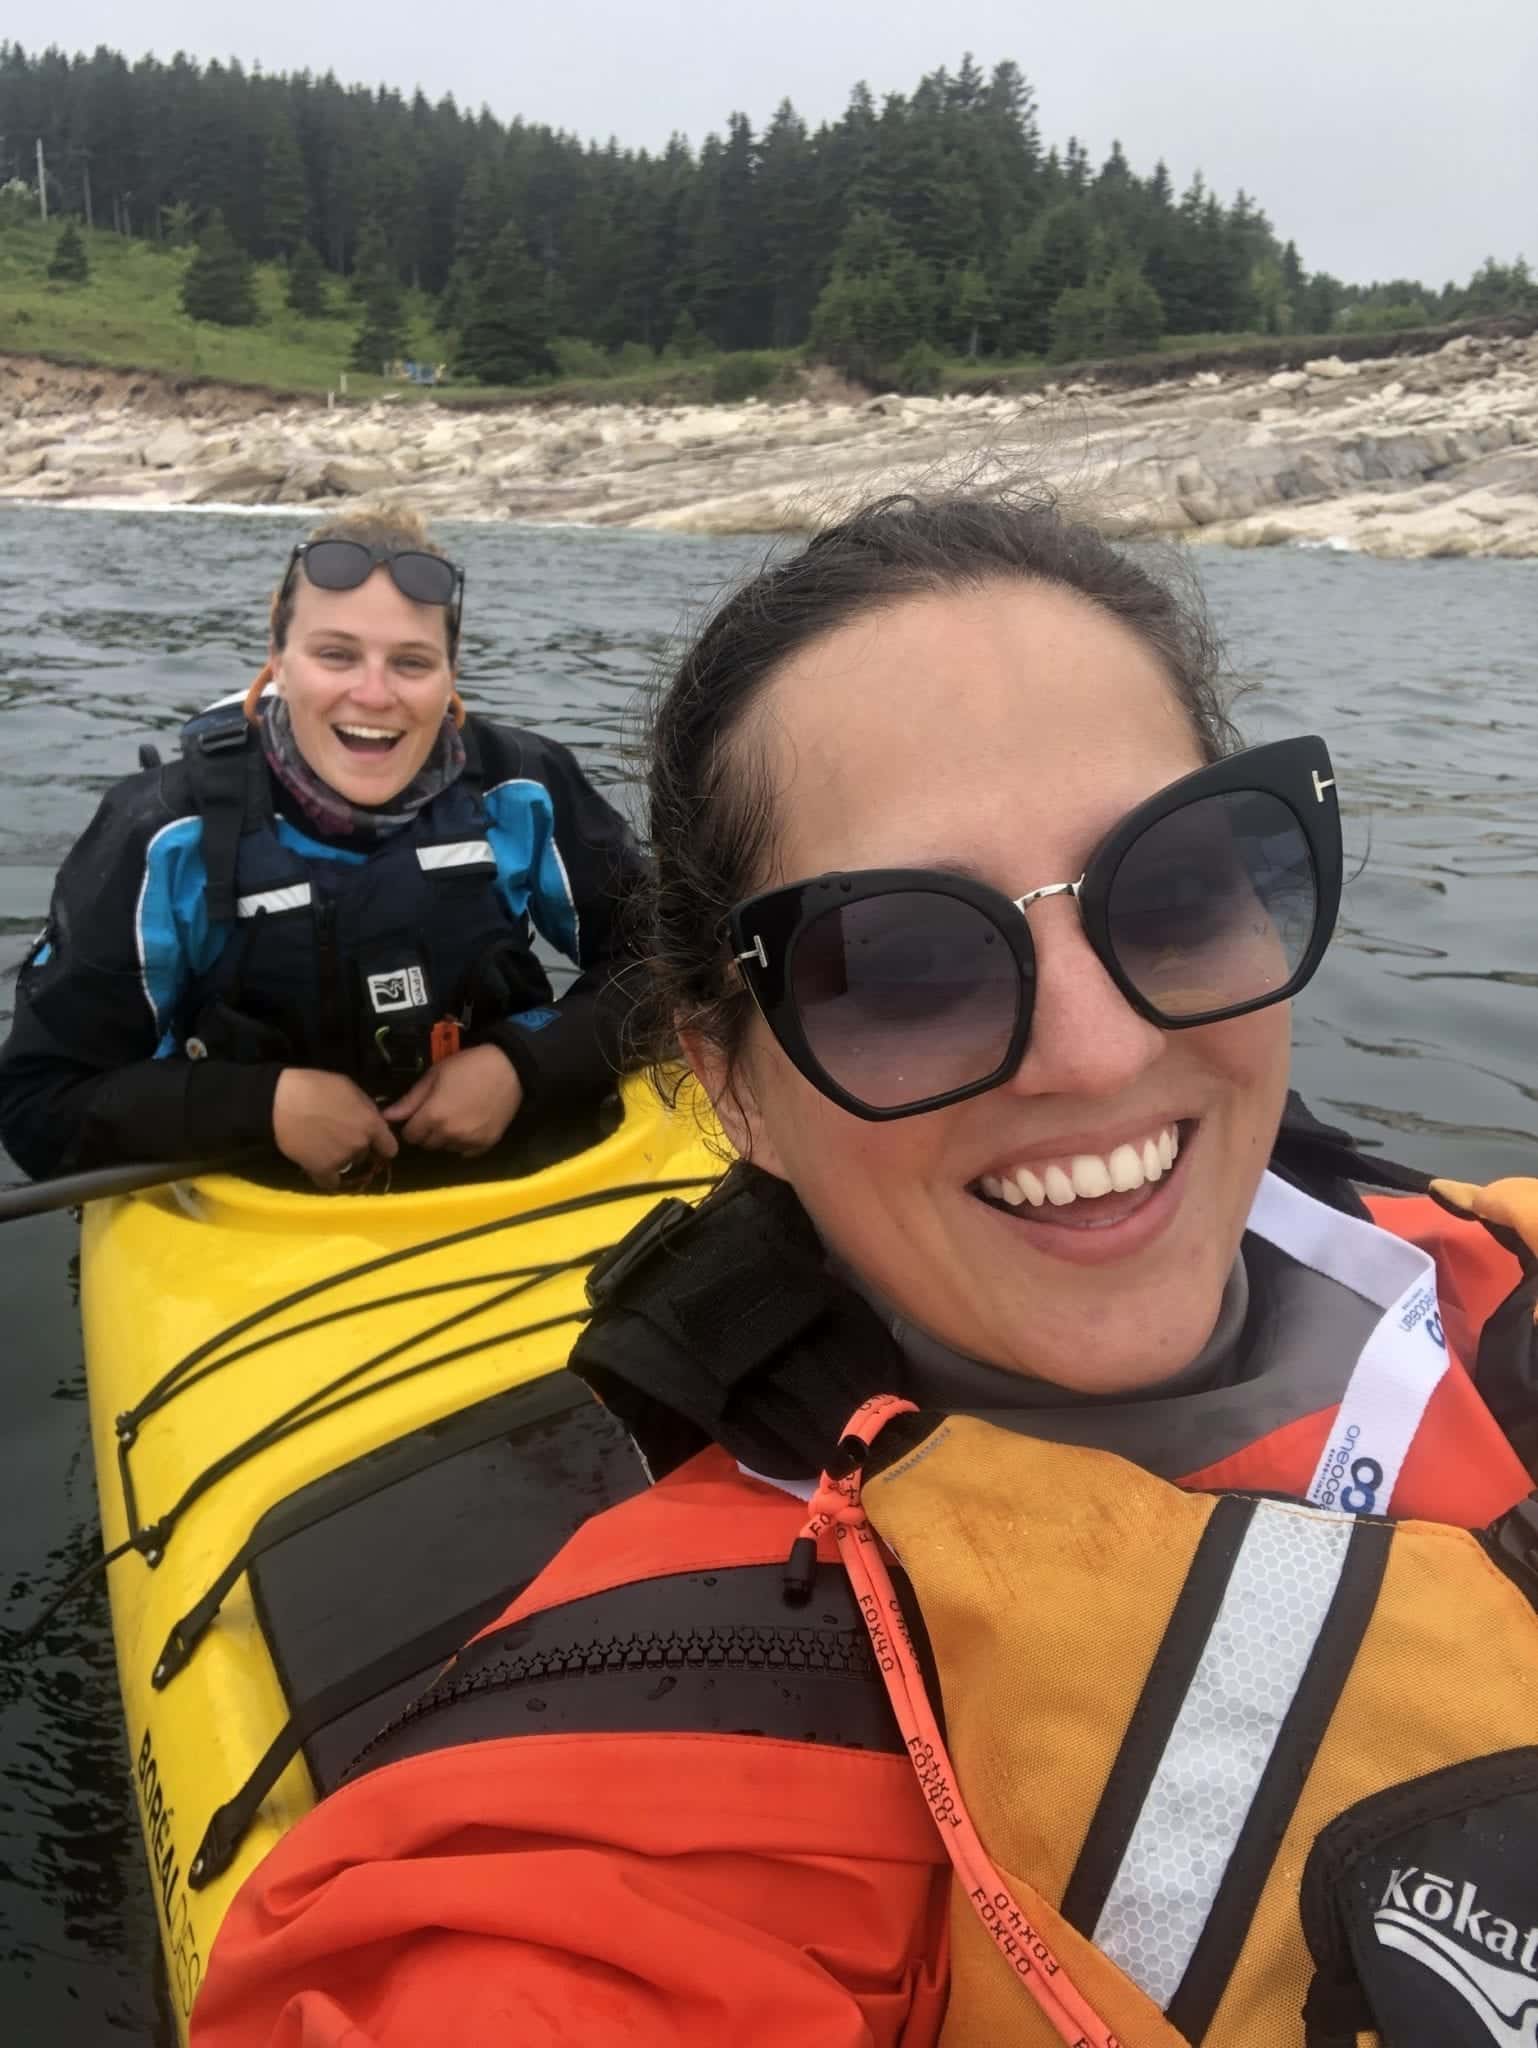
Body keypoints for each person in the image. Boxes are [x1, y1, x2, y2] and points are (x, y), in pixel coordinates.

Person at [191, 488, 1538, 2045]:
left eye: (1172, 891)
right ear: (738, 1084)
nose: (1099, 1055)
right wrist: (242, 1107)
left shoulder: (1494, 1263)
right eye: (895, 965)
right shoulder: (657, 1767)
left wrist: (521, 1064)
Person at [0, 508, 646, 1191]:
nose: (373, 694)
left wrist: (523, 1062)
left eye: (411, 662)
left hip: (503, 1180)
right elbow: (37, 1103)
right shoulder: (163, 835)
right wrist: (264, 1108)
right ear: (278, 659)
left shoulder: (523, 789)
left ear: (450, 672)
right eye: (335, 654)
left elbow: (674, 959)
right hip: (247, 1208)